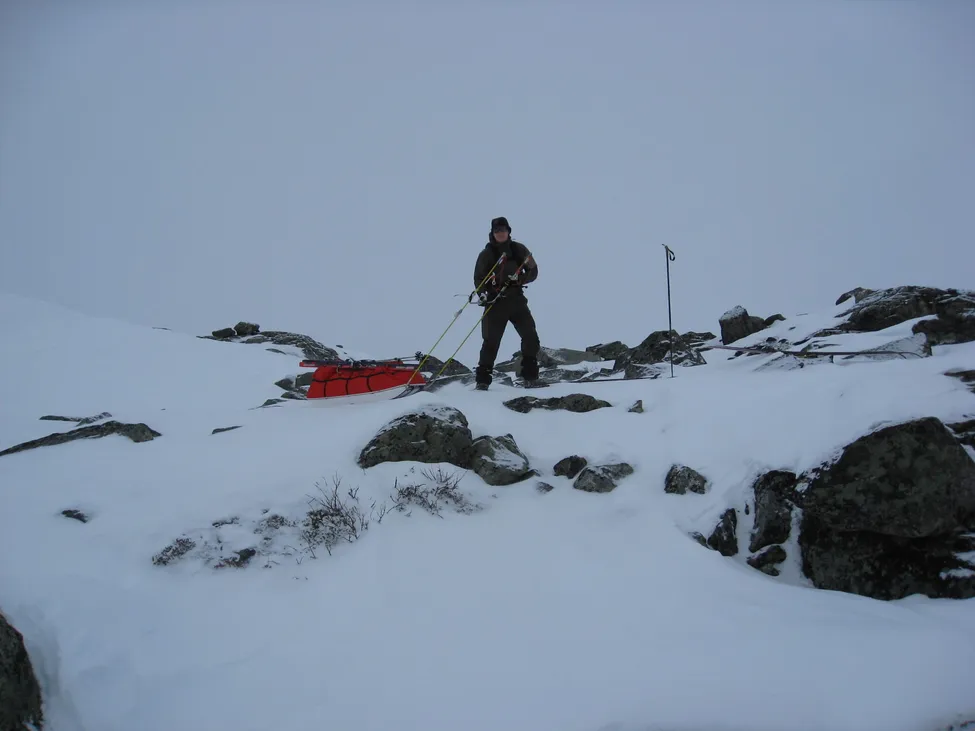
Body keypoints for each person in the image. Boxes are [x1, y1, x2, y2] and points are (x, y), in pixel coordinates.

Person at [472, 216, 541, 390]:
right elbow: (478, 278)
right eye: (497, 231)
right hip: (495, 303)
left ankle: (530, 377)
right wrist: (483, 294)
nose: (500, 233)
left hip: (517, 301)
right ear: (492, 233)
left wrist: (520, 280)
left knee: (531, 337)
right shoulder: (486, 254)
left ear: (508, 231)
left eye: (503, 230)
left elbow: (533, 270)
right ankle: (482, 381)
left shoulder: (519, 249)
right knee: (491, 342)